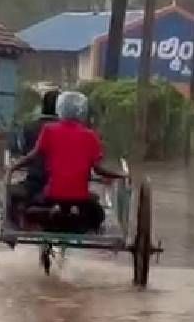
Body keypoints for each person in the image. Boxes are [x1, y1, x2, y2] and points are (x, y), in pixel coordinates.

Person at [9, 91, 124, 233]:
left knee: (27, 203)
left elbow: (32, 155)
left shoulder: (48, 130)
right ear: (82, 112)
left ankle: (45, 217)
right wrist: (120, 175)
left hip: (51, 192)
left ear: (60, 109)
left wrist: (13, 167)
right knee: (98, 214)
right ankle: (74, 221)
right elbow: (98, 169)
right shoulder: (91, 135)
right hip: (80, 197)